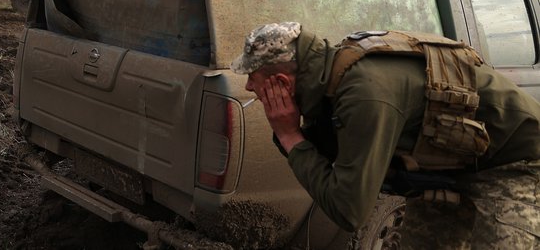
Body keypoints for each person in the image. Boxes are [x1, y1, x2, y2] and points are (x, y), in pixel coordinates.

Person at [231, 22, 540, 249]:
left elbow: (348, 210)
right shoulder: (330, 79)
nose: (248, 89)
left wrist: (289, 136)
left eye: (252, 79)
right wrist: (292, 131)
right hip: (449, 169)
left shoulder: (364, 95)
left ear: (282, 81)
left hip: (517, 163)